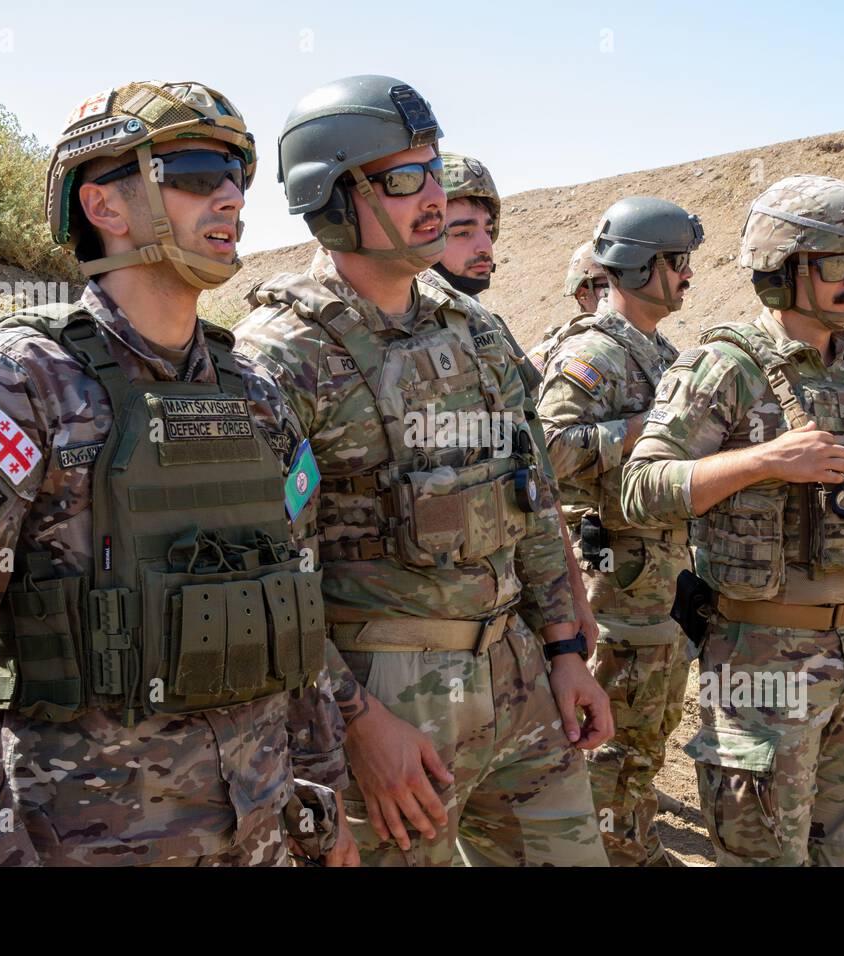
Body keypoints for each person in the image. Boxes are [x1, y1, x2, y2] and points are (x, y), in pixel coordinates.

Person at [0, 81, 354, 867]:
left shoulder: (256, 392)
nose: (232, 195)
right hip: (93, 841)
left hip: (267, 833)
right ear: (104, 206)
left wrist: (324, 806)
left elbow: (294, 620)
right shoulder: (18, 382)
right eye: (198, 172)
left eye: (238, 172)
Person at [234, 75, 612, 867]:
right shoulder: (277, 357)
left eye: (434, 170)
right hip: (390, 704)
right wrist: (357, 722)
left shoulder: (474, 328)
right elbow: (266, 583)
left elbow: (532, 501)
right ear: (333, 198)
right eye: (405, 180)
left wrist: (566, 649)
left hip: (520, 676)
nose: (434, 195)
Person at [622, 174, 844, 866]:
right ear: (784, 268)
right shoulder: (721, 367)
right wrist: (765, 461)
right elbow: (643, 488)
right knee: (764, 854)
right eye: (839, 265)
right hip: (763, 663)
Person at [536, 196, 704, 866]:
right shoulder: (594, 353)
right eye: (678, 263)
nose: (689, 276)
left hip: (660, 580)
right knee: (609, 746)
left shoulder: (660, 351)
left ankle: (631, 845)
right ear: (641, 267)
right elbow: (546, 451)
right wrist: (633, 431)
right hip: (614, 585)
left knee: (645, 735)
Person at [422, 151, 598, 654]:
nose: (484, 246)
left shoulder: (484, 330)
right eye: (462, 232)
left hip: (509, 615)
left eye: (487, 229)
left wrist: (569, 608)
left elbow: (536, 481)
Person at [528, 241, 610, 375]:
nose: (624, 291)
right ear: (583, 294)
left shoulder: (641, 341)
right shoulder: (555, 358)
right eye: (610, 285)